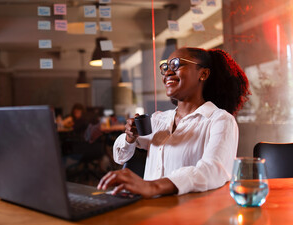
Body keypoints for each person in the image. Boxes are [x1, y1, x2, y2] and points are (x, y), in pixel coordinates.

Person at [97, 47, 251, 198]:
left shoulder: (220, 120)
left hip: (189, 214)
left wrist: (153, 186)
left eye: (176, 64)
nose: (168, 72)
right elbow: (120, 156)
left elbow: (212, 170)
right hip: (150, 210)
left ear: (203, 74)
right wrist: (129, 137)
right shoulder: (159, 120)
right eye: (165, 67)